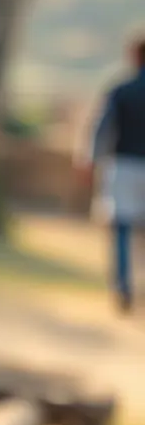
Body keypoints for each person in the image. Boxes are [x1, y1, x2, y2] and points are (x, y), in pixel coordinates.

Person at [77, 35, 145, 314]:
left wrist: (89, 160)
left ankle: (123, 286)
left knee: (122, 229)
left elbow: (101, 129)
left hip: (124, 166)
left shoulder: (121, 90)